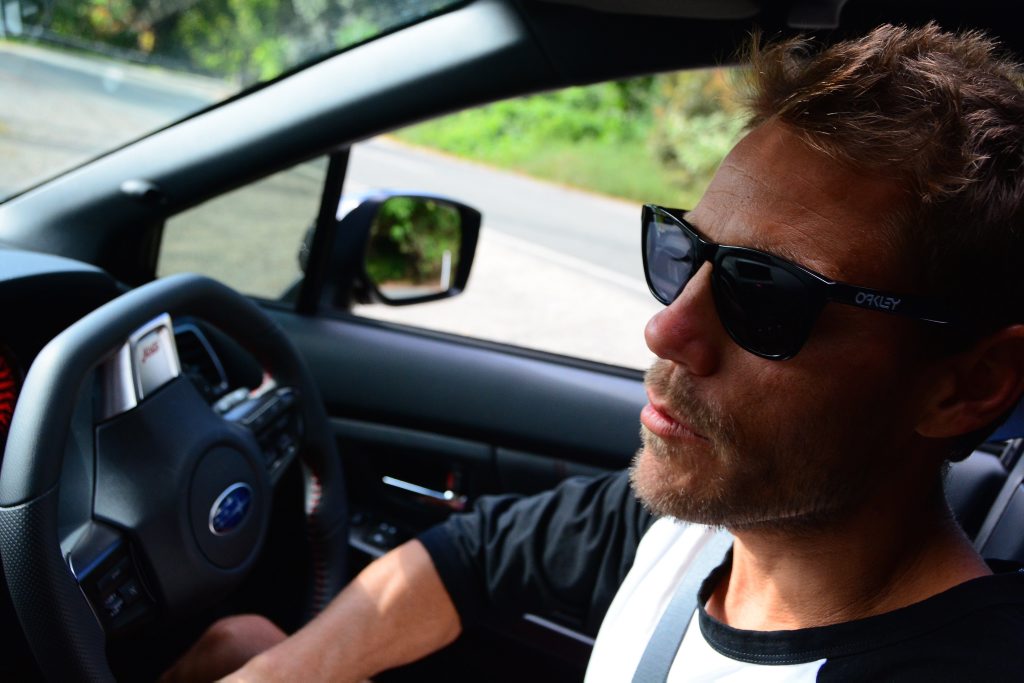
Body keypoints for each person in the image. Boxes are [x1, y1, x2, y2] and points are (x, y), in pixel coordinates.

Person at [163, 22, 1024, 682]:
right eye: (684, 254)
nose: (667, 329)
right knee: (243, 642)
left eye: (767, 293)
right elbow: (472, 557)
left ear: (968, 384)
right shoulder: (702, 528)